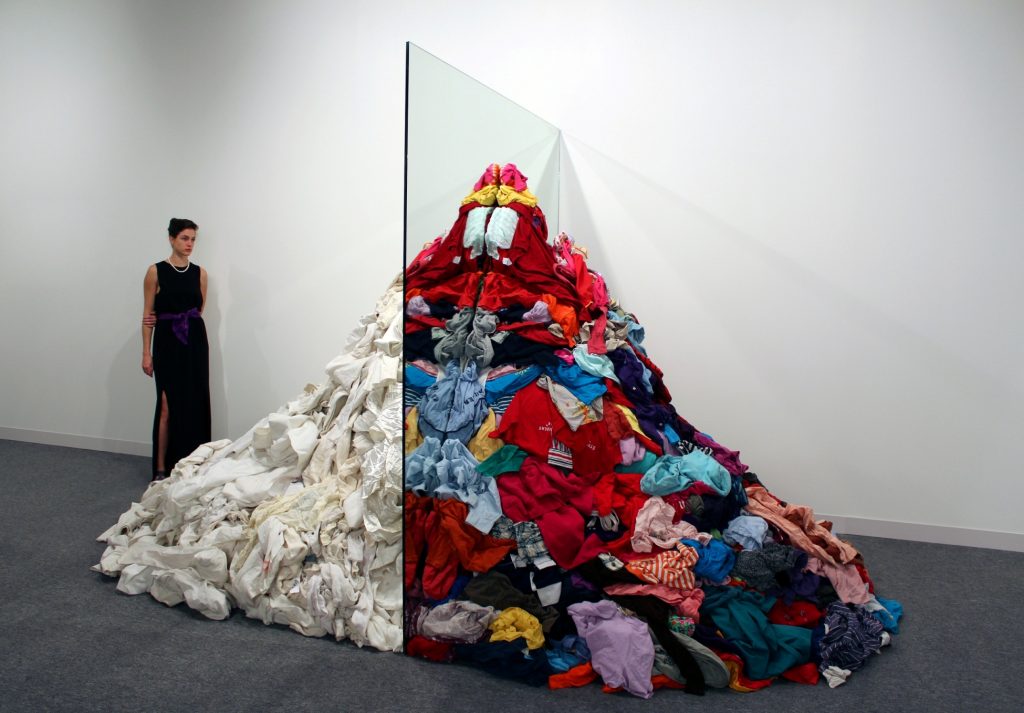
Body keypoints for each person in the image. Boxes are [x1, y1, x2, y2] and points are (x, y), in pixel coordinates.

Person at [141, 218, 211, 480]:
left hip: (194, 342)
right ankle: (161, 468)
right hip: (167, 342)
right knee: (166, 405)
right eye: (184, 238)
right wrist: (146, 353)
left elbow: (198, 310)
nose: (189, 244)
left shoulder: (200, 273)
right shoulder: (155, 271)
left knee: (194, 401)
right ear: (171, 239)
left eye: (193, 239)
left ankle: (191, 464)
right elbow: (148, 316)